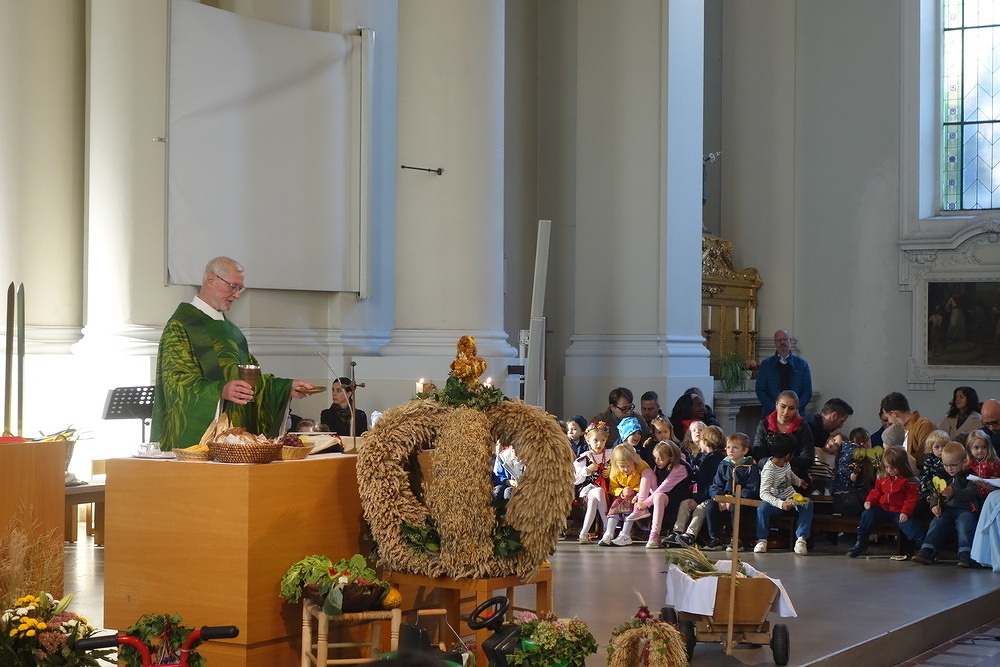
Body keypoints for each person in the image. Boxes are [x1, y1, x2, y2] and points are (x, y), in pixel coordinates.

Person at [150, 256, 314, 450]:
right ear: (211, 280)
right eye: (232, 286)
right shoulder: (182, 325)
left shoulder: (232, 332)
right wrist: (220, 391)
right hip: (197, 446)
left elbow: (250, 380)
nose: (237, 295)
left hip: (234, 442)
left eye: (240, 289)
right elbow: (175, 383)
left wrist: (284, 387)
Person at [912, 442, 983, 567]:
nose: (949, 468)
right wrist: (934, 505)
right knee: (937, 523)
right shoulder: (941, 475)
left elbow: (971, 492)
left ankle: (965, 554)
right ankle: (927, 550)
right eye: (945, 465)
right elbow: (935, 493)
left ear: (964, 462)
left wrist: (955, 491)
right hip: (946, 509)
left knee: (965, 525)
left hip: (965, 509)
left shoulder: (969, 475)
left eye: (953, 465)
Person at [846, 447, 925, 558]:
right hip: (883, 509)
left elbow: (911, 498)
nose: (890, 470)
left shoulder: (909, 481)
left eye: (893, 467)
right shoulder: (884, 478)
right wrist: (869, 501)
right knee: (867, 515)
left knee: (911, 527)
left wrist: (905, 512)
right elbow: (876, 492)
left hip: (899, 511)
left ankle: (926, 548)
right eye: (887, 467)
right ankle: (861, 542)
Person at [666, 425, 727, 549]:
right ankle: (677, 531)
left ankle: (690, 534)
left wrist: (698, 498)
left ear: (705, 442)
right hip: (702, 494)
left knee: (700, 507)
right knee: (684, 503)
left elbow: (712, 485)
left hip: (713, 496)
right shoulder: (703, 458)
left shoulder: (717, 460)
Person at [754, 433, 813, 555]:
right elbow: (764, 493)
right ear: (788, 456)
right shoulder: (768, 470)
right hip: (776, 504)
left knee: (807, 503)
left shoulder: (785, 463)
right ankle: (762, 539)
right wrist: (781, 504)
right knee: (762, 508)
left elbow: (789, 474)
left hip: (791, 499)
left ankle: (801, 539)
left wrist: (799, 482)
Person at [630, 440, 693, 549]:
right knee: (647, 472)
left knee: (659, 497)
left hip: (675, 497)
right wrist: (640, 495)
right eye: (655, 458)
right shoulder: (658, 466)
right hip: (661, 494)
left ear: (671, 458)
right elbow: (655, 482)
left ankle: (654, 534)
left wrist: (647, 503)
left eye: (661, 459)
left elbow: (665, 486)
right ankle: (641, 510)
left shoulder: (680, 467)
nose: (657, 461)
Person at [709, 432, 761, 549]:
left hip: (743, 500)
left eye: (735, 448)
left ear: (744, 451)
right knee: (710, 505)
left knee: (735, 507)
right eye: (728, 447)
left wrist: (734, 498)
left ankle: (738, 539)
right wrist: (719, 498)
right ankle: (715, 538)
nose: (730, 450)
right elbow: (715, 485)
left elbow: (752, 489)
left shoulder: (751, 467)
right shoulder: (723, 465)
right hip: (726, 499)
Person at [751, 390, 815, 481]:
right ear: (776, 405)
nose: (786, 412)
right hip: (767, 474)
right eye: (783, 407)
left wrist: (782, 462)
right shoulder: (764, 424)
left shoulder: (803, 427)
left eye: (791, 408)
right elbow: (758, 454)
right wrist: (774, 464)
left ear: (796, 409)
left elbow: (807, 458)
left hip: (795, 475)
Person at [599, 444, 654, 547]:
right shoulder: (615, 472)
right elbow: (613, 488)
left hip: (638, 496)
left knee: (630, 504)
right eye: (622, 467)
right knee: (616, 505)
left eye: (628, 466)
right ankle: (609, 533)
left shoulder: (642, 466)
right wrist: (621, 491)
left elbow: (647, 481)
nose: (625, 469)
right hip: (622, 496)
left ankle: (625, 534)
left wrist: (636, 492)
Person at [755, 329, 813, 415]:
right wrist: (776, 409)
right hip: (771, 414)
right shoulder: (766, 365)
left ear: (790, 341)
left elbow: (807, 391)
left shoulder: (801, 364)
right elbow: (760, 390)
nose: (782, 342)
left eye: (785, 339)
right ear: (775, 343)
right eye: (779, 340)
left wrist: (794, 408)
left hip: (797, 414)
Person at [804, 398, 854, 495]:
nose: (841, 425)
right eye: (841, 421)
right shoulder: (808, 426)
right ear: (833, 415)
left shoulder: (823, 432)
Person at [573, 421, 612, 543]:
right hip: (587, 489)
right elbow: (575, 479)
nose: (599, 444)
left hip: (608, 490)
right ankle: (608, 529)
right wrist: (587, 470)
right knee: (598, 492)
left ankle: (584, 533)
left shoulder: (611, 454)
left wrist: (611, 471)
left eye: (602, 440)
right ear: (588, 440)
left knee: (595, 499)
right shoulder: (585, 457)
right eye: (595, 440)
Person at [880, 392, 935, 469]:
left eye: (888, 418)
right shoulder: (900, 429)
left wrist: (898, 459)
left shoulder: (924, 425)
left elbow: (926, 456)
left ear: (894, 413)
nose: (889, 422)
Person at [831, 427, 876, 516]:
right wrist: (850, 475)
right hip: (848, 495)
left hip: (843, 495)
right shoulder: (853, 451)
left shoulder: (846, 450)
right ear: (865, 441)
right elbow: (843, 466)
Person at [965, 430, 1000, 498]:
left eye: (984, 447)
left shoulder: (994, 463)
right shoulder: (967, 464)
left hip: (991, 495)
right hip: (972, 497)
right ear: (969, 448)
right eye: (976, 448)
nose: (980, 451)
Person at [918, 430, 950, 506]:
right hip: (932, 490)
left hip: (947, 490)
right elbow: (925, 477)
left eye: (944, 446)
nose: (941, 449)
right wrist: (926, 493)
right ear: (931, 449)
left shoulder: (950, 459)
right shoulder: (929, 461)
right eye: (937, 447)